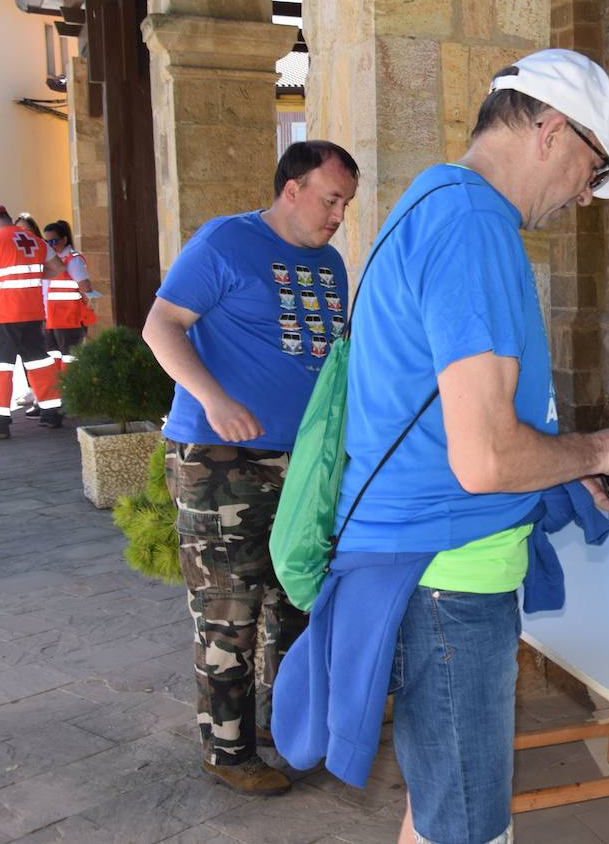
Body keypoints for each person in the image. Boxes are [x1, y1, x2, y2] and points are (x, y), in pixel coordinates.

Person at [282, 49, 609, 844]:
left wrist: (563, 475)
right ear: (552, 131)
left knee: (438, 810)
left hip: (420, 563)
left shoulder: (431, 201)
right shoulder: (475, 228)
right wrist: (596, 452)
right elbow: (484, 458)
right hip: (449, 578)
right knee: (468, 827)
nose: (587, 197)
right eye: (593, 170)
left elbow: (448, 424)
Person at [142, 140, 359, 795]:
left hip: (303, 465)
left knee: (293, 601)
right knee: (229, 612)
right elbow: (161, 326)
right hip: (221, 461)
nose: (339, 215)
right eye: (330, 199)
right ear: (291, 189)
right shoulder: (223, 244)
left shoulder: (331, 265)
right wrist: (216, 400)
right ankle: (228, 752)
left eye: (346, 202)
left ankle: (280, 725)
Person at [0, 205, 67, 437]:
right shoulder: (34, 240)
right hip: (33, 313)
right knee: (39, 363)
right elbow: (57, 268)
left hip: (1, 314)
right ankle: (51, 412)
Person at [41, 219, 97, 375]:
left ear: (64, 239)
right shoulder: (52, 261)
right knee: (54, 356)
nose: (50, 245)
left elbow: (85, 287)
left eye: (53, 241)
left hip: (69, 319)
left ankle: (69, 392)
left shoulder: (73, 260)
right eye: (46, 242)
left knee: (70, 358)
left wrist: (89, 303)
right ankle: (58, 391)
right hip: (54, 318)